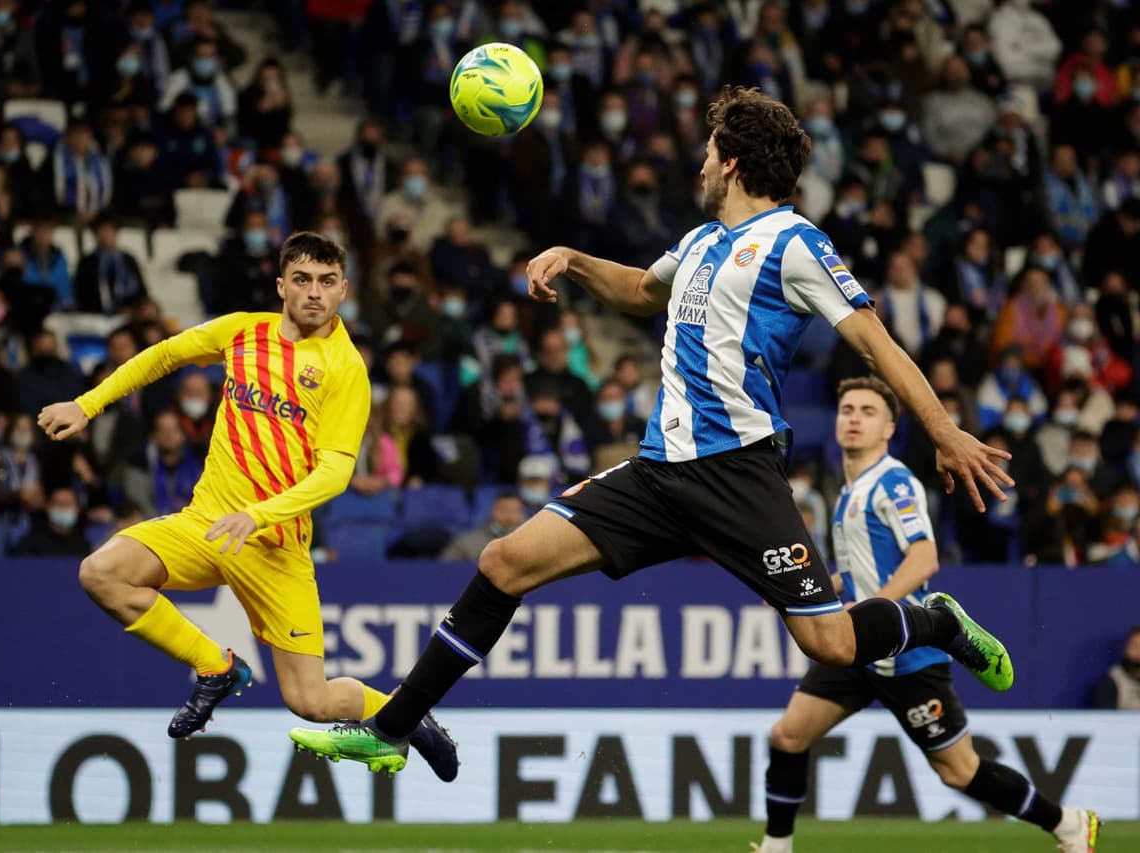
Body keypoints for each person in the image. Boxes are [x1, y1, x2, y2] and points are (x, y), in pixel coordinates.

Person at [290, 86, 1016, 774]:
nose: (700, 164)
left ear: (732, 163)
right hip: (658, 473)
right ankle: (393, 729)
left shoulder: (795, 243)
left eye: (709, 151)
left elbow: (875, 343)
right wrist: (573, 259)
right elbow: (641, 291)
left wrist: (945, 431)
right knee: (504, 561)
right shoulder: (700, 241)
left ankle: (938, 623)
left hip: (737, 475)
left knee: (830, 641)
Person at [36, 231, 456, 780]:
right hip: (206, 524)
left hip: (274, 547)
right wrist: (87, 404)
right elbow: (165, 355)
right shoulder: (243, 331)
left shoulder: (344, 368)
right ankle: (216, 668)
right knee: (102, 573)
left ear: (344, 290)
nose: (314, 292)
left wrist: (258, 514)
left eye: (327, 281)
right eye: (302, 279)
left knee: (311, 702)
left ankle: (411, 717)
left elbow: (335, 473)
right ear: (281, 285)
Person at [753, 377, 1099, 853]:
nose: (853, 418)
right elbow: (855, 576)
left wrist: (869, 613)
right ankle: (777, 846)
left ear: (889, 428)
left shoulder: (894, 483)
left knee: (959, 771)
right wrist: (802, 594)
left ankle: (1068, 823)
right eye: (847, 409)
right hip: (858, 649)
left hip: (905, 653)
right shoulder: (849, 493)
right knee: (788, 736)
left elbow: (924, 559)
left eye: (868, 412)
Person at [439, 493, 526, 562]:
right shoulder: (467, 542)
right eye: (504, 510)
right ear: (492, 511)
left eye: (515, 511)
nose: (509, 516)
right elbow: (443, 567)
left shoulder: (530, 543)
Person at [1094, 626, 1140, 710]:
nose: (1138, 652)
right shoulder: (1113, 681)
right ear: (1125, 648)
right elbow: (1106, 716)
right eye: (1134, 646)